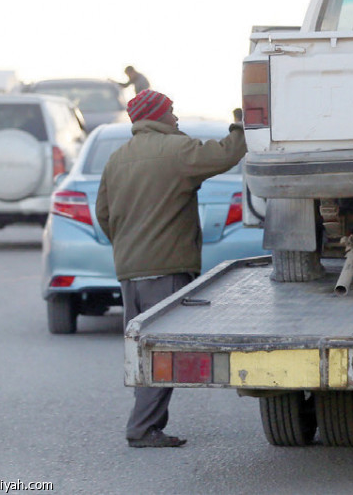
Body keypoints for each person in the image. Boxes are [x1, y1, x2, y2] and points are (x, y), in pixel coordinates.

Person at [96, 89, 246, 448]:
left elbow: (103, 214)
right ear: (159, 116)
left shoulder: (117, 159)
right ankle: (142, 429)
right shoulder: (176, 151)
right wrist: (241, 124)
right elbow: (226, 154)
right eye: (172, 112)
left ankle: (144, 425)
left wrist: (129, 247)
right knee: (162, 352)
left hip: (130, 271)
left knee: (143, 349)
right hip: (166, 267)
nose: (176, 119)